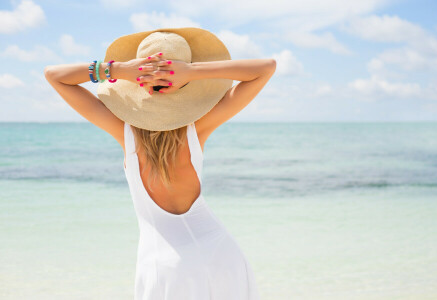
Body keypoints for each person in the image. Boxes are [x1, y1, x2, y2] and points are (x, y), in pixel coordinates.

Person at [44, 27, 276, 300]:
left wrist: (119, 70)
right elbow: (266, 67)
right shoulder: (198, 130)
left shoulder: (126, 134)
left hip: (165, 266)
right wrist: (191, 72)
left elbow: (55, 76)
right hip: (222, 255)